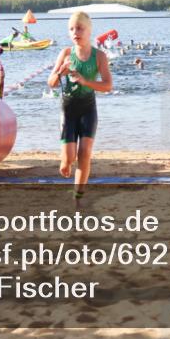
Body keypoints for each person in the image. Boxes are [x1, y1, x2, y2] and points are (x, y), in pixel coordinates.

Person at [47, 11, 113, 203]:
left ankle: (78, 198)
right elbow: (50, 82)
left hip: (88, 109)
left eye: (80, 28)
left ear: (89, 31)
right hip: (68, 110)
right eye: (72, 29)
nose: (76, 32)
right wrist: (60, 72)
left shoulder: (99, 56)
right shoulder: (66, 54)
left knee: (84, 153)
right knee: (69, 159)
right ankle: (64, 160)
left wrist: (85, 81)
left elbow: (108, 85)